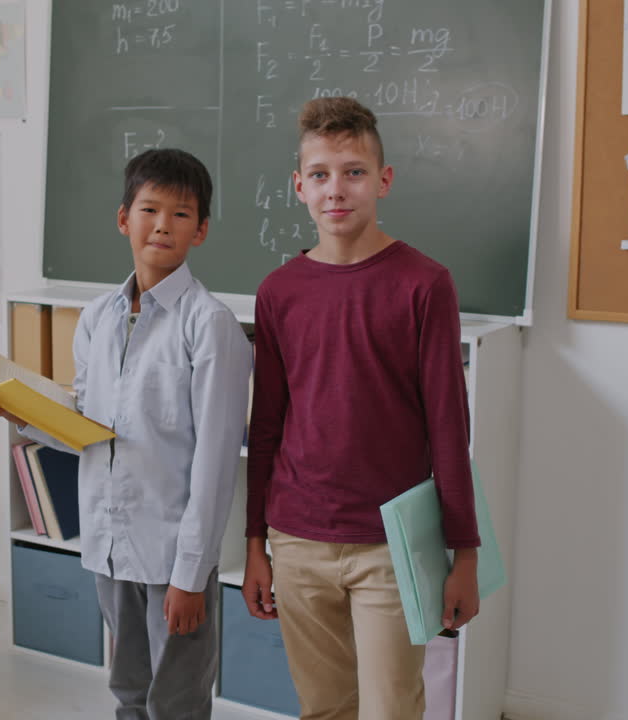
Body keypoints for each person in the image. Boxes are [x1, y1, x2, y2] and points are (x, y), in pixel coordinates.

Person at [0, 148, 251, 720]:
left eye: (180, 213)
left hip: (173, 554)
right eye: (150, 209)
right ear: (124, 219)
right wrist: (15, 413)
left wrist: (192, 576)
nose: (163, 225)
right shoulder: (98, 318)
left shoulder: (211, 325)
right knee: (127, 693)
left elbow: (217, 465)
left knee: (175, 703)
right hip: (108, 543)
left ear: (201, 230)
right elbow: (88, 433)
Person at [241, 97, 481, 720]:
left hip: (389, 544)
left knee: (391, 709)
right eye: (320, 174)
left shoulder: (424, 284)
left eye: (353, 171)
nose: (336, 189)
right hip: (297, 540)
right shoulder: (279, 292)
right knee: (324, 709)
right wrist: (254, 545)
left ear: (384, 179)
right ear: (299, 187)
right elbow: (265, 425)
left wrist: (465, 556)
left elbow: (449, 429)